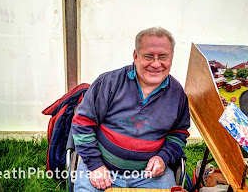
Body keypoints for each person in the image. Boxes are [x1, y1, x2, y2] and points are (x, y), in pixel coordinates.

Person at [71, 26, 190, 191]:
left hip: (149, 177)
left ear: (171, 58)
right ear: (135, 56)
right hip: (101, 169)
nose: (156, 64)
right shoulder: (109, 82)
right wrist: (95, 165)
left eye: (163, 57)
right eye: (148, 56)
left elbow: (179, 134)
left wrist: (162, 158)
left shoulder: (178, 94)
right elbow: (82, 123)